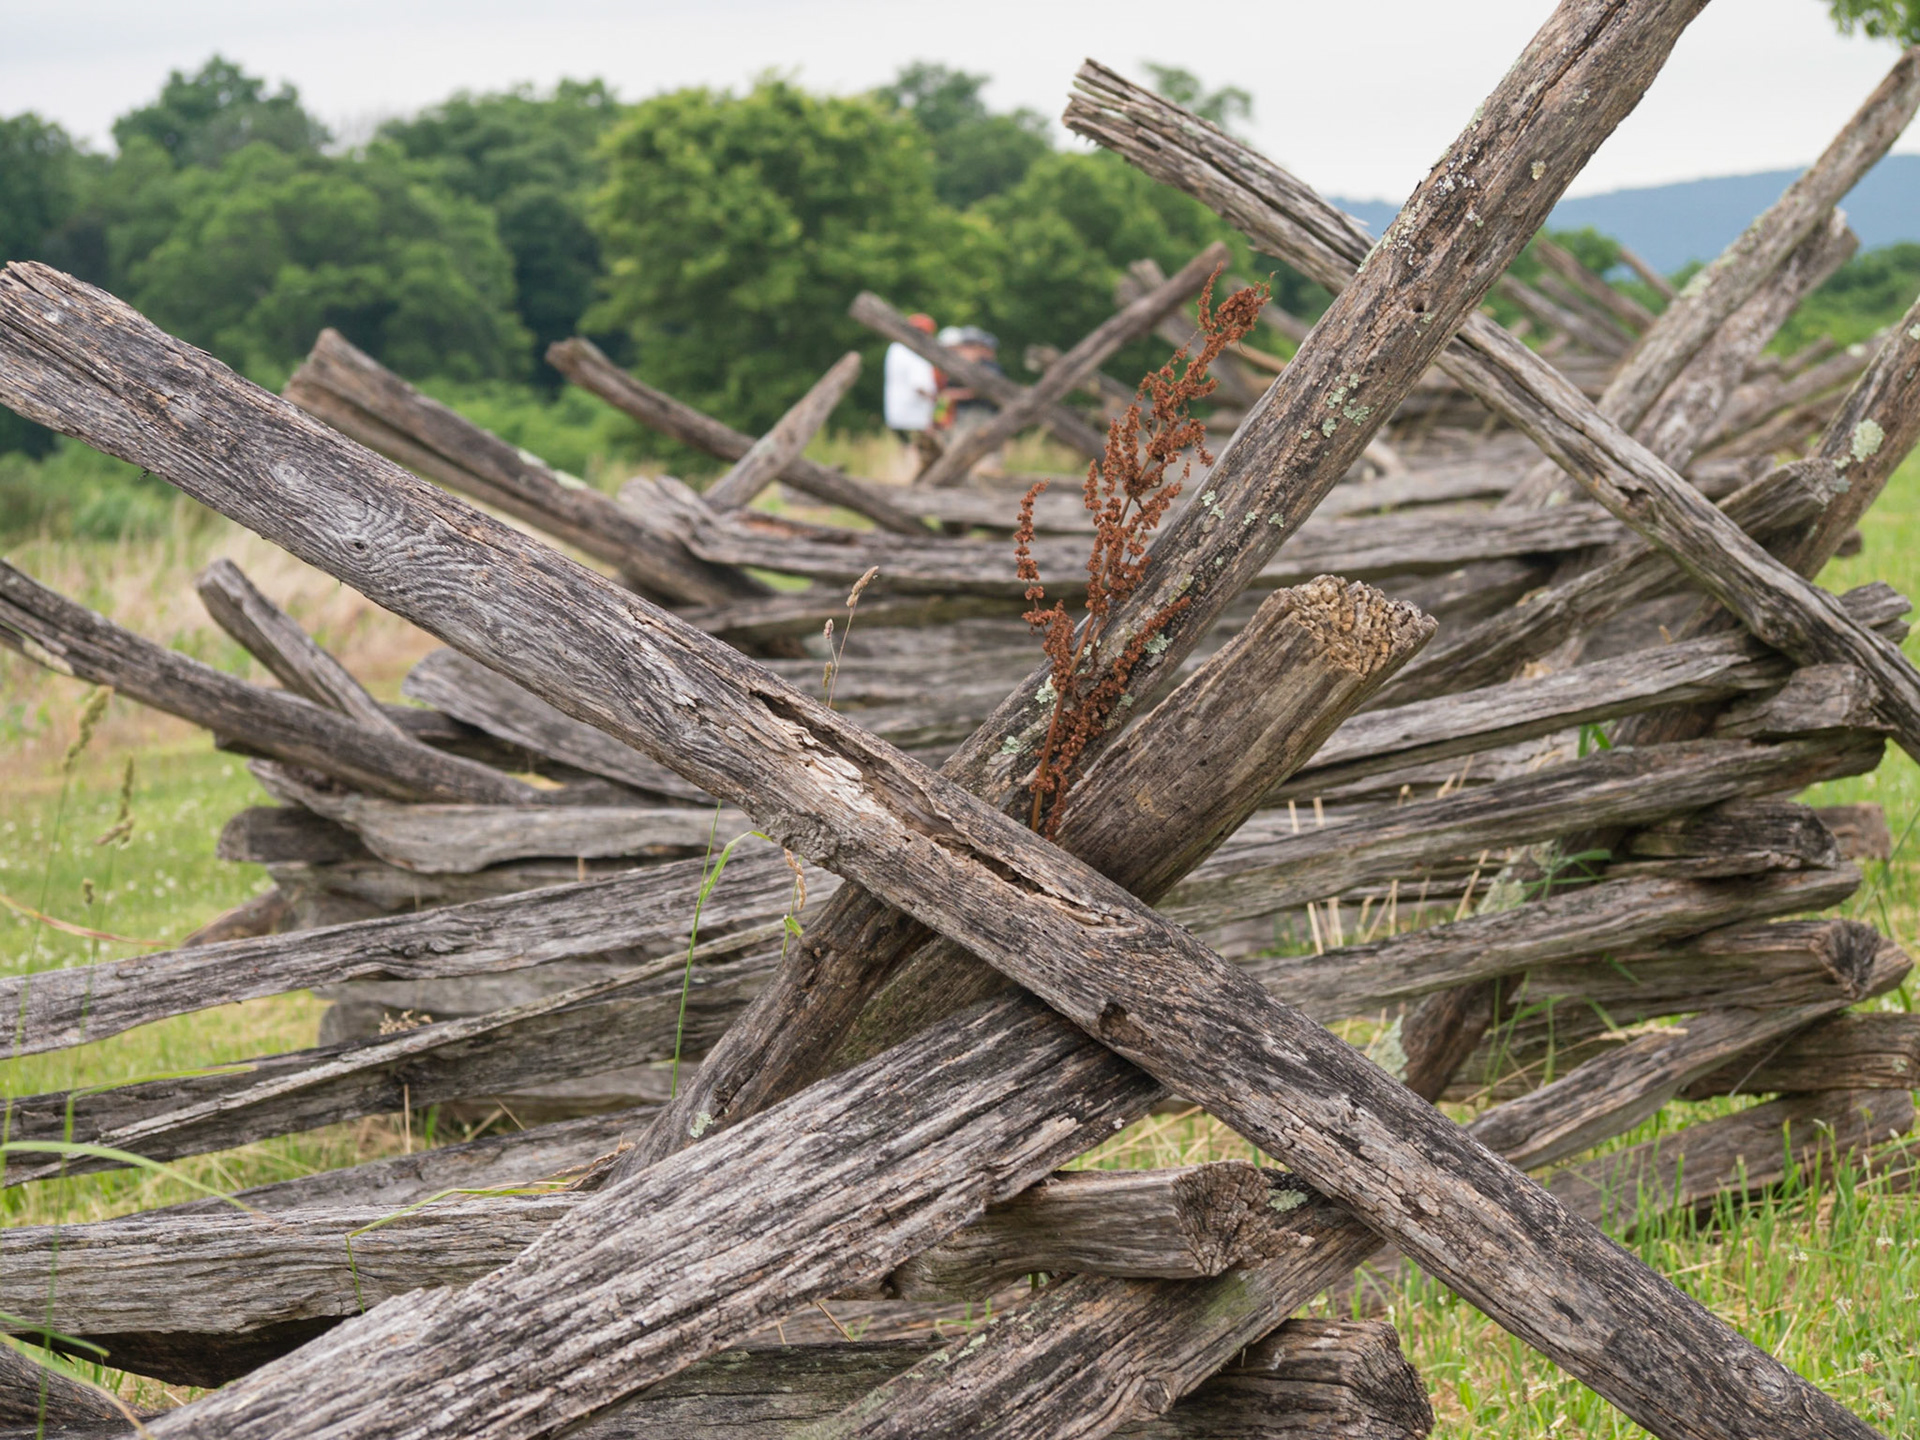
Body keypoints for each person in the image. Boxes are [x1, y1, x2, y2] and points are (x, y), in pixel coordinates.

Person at [884, 313, 940, 439]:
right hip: (915, 417)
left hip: (896, 414)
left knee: (905, 451)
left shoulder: (895, 348)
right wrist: (938, 400)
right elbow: (919, 386)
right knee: (917, 453)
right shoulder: (915, 352)